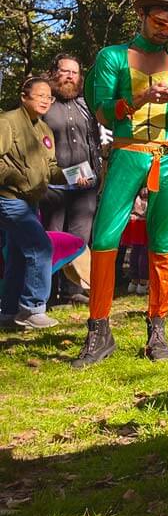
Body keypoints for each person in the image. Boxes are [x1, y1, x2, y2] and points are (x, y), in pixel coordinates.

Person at [72, 0, 168, 366]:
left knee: (163, 243)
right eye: (160, 22)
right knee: (106, 238)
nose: (165, 30)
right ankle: (99, 330)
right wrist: (139, 100)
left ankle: (157, 328)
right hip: (127, 153)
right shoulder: (111, 57)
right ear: (142, 16)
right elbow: (101, 111)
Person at [0, 75, 64, 329]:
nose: (45, 101)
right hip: (9, 198)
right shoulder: (7, 122)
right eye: (40, 95)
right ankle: (33, 308)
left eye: (49, 96)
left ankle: (8, 310)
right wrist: (15, 177)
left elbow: (50, 167)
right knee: (40, 248)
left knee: (17, 255)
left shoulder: (44, 129)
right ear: (24, 96)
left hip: (30, 202)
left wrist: (74, 175)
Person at [40, 54, 102, 305]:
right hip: (51, 185)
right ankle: (46, 292)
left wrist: (97, 173)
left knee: (79, 237)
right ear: (55, 73)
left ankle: (73, 290)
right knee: (51, 237)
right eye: (65, 71)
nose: (69, 76)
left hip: (84, 184)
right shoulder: (44, 104)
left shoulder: (86, 106)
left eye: (74, 73)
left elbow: (94, 142)